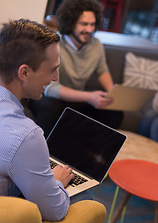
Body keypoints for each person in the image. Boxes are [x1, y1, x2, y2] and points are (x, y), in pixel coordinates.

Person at [0, 19, 74, 221]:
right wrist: (56, 181)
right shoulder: (25, 135)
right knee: (87, 199)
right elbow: (55, 211)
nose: (56, 77)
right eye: (52, 69)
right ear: (24, 72)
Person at [30, 0, 123, 136]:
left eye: (92, 24)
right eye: (84, 24)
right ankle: (44, 152)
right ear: (70, 23)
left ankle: (91, 153)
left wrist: (113, 95)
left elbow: (102, 71)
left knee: (115, 113)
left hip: (78, 99)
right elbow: (51, 89)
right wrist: (89, 97)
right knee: (50, 107)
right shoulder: (54, 45)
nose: (90, 29)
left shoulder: (96, 45)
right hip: (53, 99)